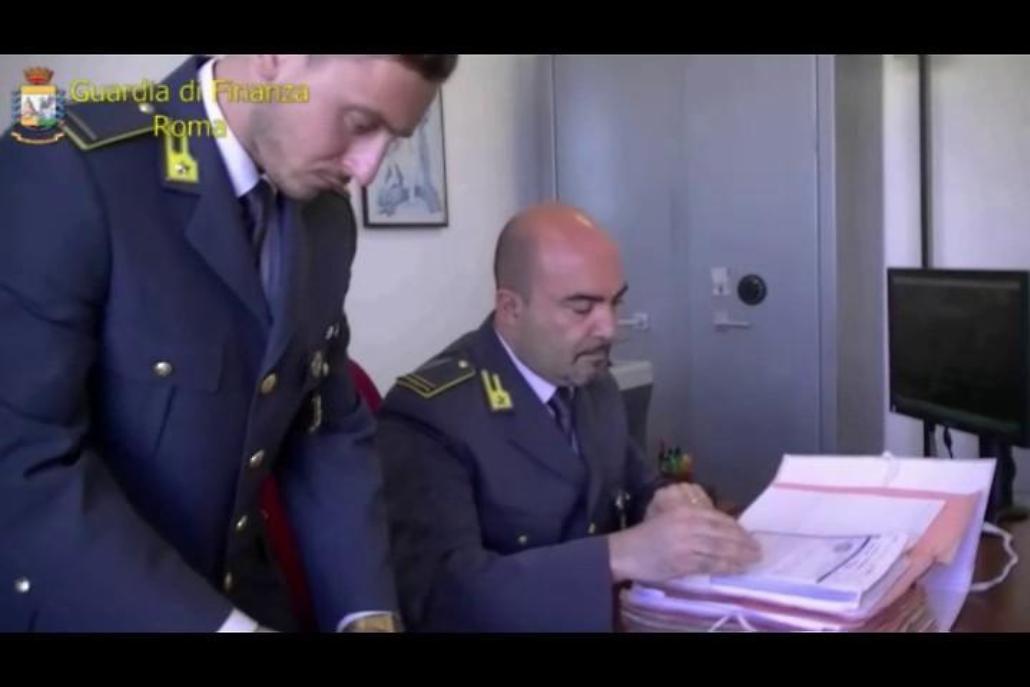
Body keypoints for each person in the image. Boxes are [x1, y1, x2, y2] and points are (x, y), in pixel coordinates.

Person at [0, 53, 457, 632]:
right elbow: (22, 466)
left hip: (249, 599)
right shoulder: (68, 166)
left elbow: (325, 429)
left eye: (393, 139)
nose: (367, 171)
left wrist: (365, 614)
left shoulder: (325, 221)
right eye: (361, 123)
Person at [376, 203, 760, 631]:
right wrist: (618, 555)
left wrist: (663, 501)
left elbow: (632, 484)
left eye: (616, 302)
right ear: (511, 308)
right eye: (581, 308)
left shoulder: (592, 381)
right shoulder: (431, 414)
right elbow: (442, 596)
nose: (609, 329)